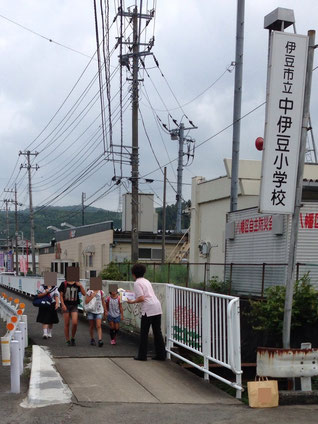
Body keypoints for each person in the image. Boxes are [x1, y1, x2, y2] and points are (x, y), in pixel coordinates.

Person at [127, 263, 166, 361]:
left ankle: (142, 356)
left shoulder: (137, 283)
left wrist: (132, 302)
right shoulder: (146, 281)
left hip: (148, 309)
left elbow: (141, 298)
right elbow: (145, 295)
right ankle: (161, 355)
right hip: (157, 307)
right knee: (157, 332)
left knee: (144, 333)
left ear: (133, 274)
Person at [59, 276, 86, 346]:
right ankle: (67, 340)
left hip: (74, 305)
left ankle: (73, 338)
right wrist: (62, 305)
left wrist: (81, 285)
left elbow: (84, 293)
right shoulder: (63, 284)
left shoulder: (77, 284)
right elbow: (61, 296)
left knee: (75, 322)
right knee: (67, 323)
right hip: (66, 305)